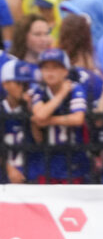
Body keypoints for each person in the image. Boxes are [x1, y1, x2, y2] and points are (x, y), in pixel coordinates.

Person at [30, 48, 90, 183]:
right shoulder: (39, 91)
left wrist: (50, 120)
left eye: (56, 68)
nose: (50, 72)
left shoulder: (75, 89)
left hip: (73, 160)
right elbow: (40, 115)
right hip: (47, 162)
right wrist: (61, 94)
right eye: (46, 68)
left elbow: (78, 118)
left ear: (65, 71)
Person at [1, 59, 39, 184]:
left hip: (29, 176)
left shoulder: (31, 109)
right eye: (18, 83)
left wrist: (32, 113)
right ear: (5, 84)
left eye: (26, 84)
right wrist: (9, 169)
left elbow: (40, 141)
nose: (23, 88)